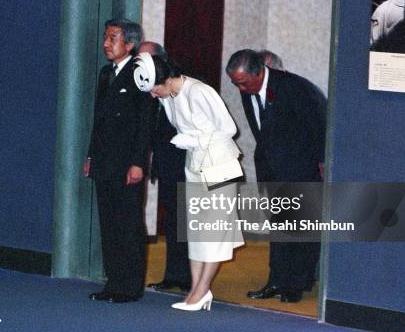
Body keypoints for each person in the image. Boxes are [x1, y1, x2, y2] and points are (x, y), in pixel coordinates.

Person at [134, 53, 244, 311]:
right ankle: (197, 290)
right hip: (194, 164)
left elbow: (228, 129)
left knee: (213, 232)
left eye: (154, 89)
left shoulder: (199, 91)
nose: (153, 95)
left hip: (218, 164)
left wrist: (195, 140)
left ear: (165, 79)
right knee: (195, 231)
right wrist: (191, 142)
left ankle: (202, 290)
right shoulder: (169, 97)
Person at [226, 49, 326, 303]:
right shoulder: (249, 90)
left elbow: (318, 124)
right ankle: (276, 281)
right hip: (272, 169)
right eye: (235, 83)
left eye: (243, 82)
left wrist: (320, 163)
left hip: (300, 168)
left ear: (259, 72)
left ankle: (296, 285)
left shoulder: (294, 88)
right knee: (279, 229)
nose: (240, 89)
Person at [84, 19, 153, 303]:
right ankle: (113, 283)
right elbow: (98, 120)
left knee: (128, 225)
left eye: (112, 38)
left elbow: (146, 123)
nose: (105, 43)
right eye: (105, 37)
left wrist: (138, 163)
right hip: (104, 161)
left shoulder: (140, 74)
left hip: (127, 164)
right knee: (109, 225)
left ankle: (130, 287)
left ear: (130, 44)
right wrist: (91, 155)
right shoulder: (105, 73)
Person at [138, 42, 191, 293]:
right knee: (172, 222)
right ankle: (174, 275)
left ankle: (192, 278)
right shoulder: (144, 84)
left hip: (188, 164)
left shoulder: (184, 85)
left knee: (189, 222)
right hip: (166, 163)